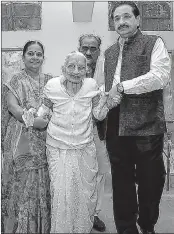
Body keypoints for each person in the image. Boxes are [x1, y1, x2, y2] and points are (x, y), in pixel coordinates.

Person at [98, 2, 171, 234]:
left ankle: (147, 225)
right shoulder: (108, 53)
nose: (121, 22)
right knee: (122, 183)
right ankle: (126, 228)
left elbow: (159, 77)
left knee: (152, 182)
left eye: (127, 16)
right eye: (117, 18)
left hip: (147, 124)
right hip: (115, 123)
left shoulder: (154, 43)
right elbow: (104, 86)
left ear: (138, 20)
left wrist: (121, 87)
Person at [35, 51, 117, 233]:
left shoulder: (91, 86)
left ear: (87, 70)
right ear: (63, 68)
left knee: (83, 195)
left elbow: (98, 114)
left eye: (81, 67)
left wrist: (107, 104)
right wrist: (34, 116)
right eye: (71, 66)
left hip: (84, 148)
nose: (76, 71)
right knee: (61, 194)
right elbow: (44, 111)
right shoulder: (52, 86)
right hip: (58, 147)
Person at [2, 40, 52, 233]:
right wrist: (32, 120)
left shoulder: (50, 81)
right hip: (20, 139)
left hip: (46, 141)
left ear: (43, 58)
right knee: (21, 185)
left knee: (43, 183)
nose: (35, 57)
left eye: (39, 54)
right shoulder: (14, 80)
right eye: (30, 53)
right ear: (23, 57)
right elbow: (13, 108)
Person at [78, 34, 107, 232]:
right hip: (75, 131)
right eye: (85, 48)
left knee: (100, 172)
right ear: (79, 48)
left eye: (93, 48)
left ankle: (94, 213)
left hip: (99, 129)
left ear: (99, 50)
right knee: (78, 173)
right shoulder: (71, 68)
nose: (88, 52)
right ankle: (79, 212)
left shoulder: (107, 70)